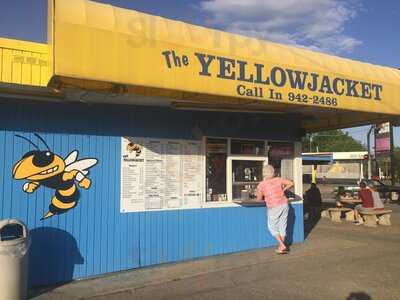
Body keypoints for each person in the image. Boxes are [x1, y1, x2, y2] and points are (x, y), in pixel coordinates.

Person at [257, 165, 294, 254]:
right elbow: (291, 183)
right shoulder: (278, 179)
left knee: (272, 227)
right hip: (284, 204)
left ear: (264, 174)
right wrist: (283, 190)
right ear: (273, 172)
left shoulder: (261, 185)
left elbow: (258, 199)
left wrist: (260, 193)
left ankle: (282, 244)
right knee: (282, 226)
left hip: (273, 206)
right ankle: (281, 248)